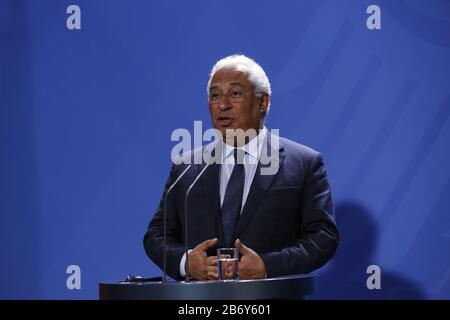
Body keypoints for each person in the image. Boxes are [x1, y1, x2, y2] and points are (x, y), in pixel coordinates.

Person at [143, 54, 339, 281]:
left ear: (262, 102)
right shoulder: (187, 168)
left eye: (235, 94)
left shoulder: (303, 164)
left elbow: (323, 238)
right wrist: (186, 262)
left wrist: (267, 266)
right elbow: (156, 236)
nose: (222, 105)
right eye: (215, 95)